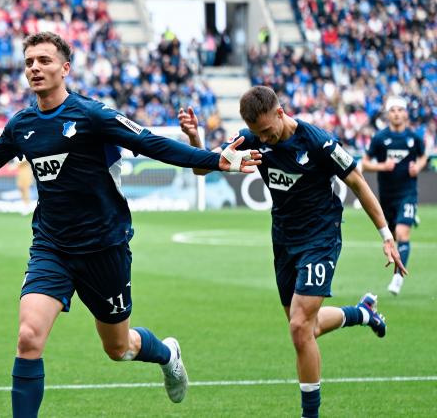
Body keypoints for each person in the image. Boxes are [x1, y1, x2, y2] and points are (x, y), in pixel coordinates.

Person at [0, 32, 261, 417]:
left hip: (104, 247)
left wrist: (214, 160)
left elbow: (151, 143)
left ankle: (167, 353)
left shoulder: (94, 116)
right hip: (52, 247)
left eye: (44, 60)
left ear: (65, 68)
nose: (35, 68)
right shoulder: (22, 124)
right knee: (28, 338)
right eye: (29, 63)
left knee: (118, 348)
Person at [179, 86, 406, 418]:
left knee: (299, 327)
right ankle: (362, 313)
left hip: (320, 237)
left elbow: (357, 181)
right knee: (306, 328)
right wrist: (195, 138)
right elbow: (202, 168)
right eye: (258, 134)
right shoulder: (253, 139)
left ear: (281, 113)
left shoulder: (319, 142)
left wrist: (386, 235)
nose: (265, 139)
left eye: (268, 131)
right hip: (284, 238)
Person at [361, 96, 427, 295]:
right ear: (388, 114)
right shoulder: (380, 138)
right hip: (387, 196)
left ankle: (398, 278)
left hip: (407, 193)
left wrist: (419, 166)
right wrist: (382, 166)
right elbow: (364, 163)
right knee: (393, 236)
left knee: (401, 233)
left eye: (400, 110)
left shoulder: (414, 138)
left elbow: (423, 156)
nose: (397, 113)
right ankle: (408, 216)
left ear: (405, 113)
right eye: (393, 110)